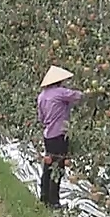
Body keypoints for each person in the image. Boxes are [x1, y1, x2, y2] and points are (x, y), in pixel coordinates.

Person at [36, 65, 83, 208]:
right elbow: (79, 96)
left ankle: (44, 197)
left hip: (48, 135)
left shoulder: (42, 96)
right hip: (59, 134)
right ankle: (54, 202)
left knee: (48, 164)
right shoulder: (61, 92)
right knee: (58, 167)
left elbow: (41, 118)